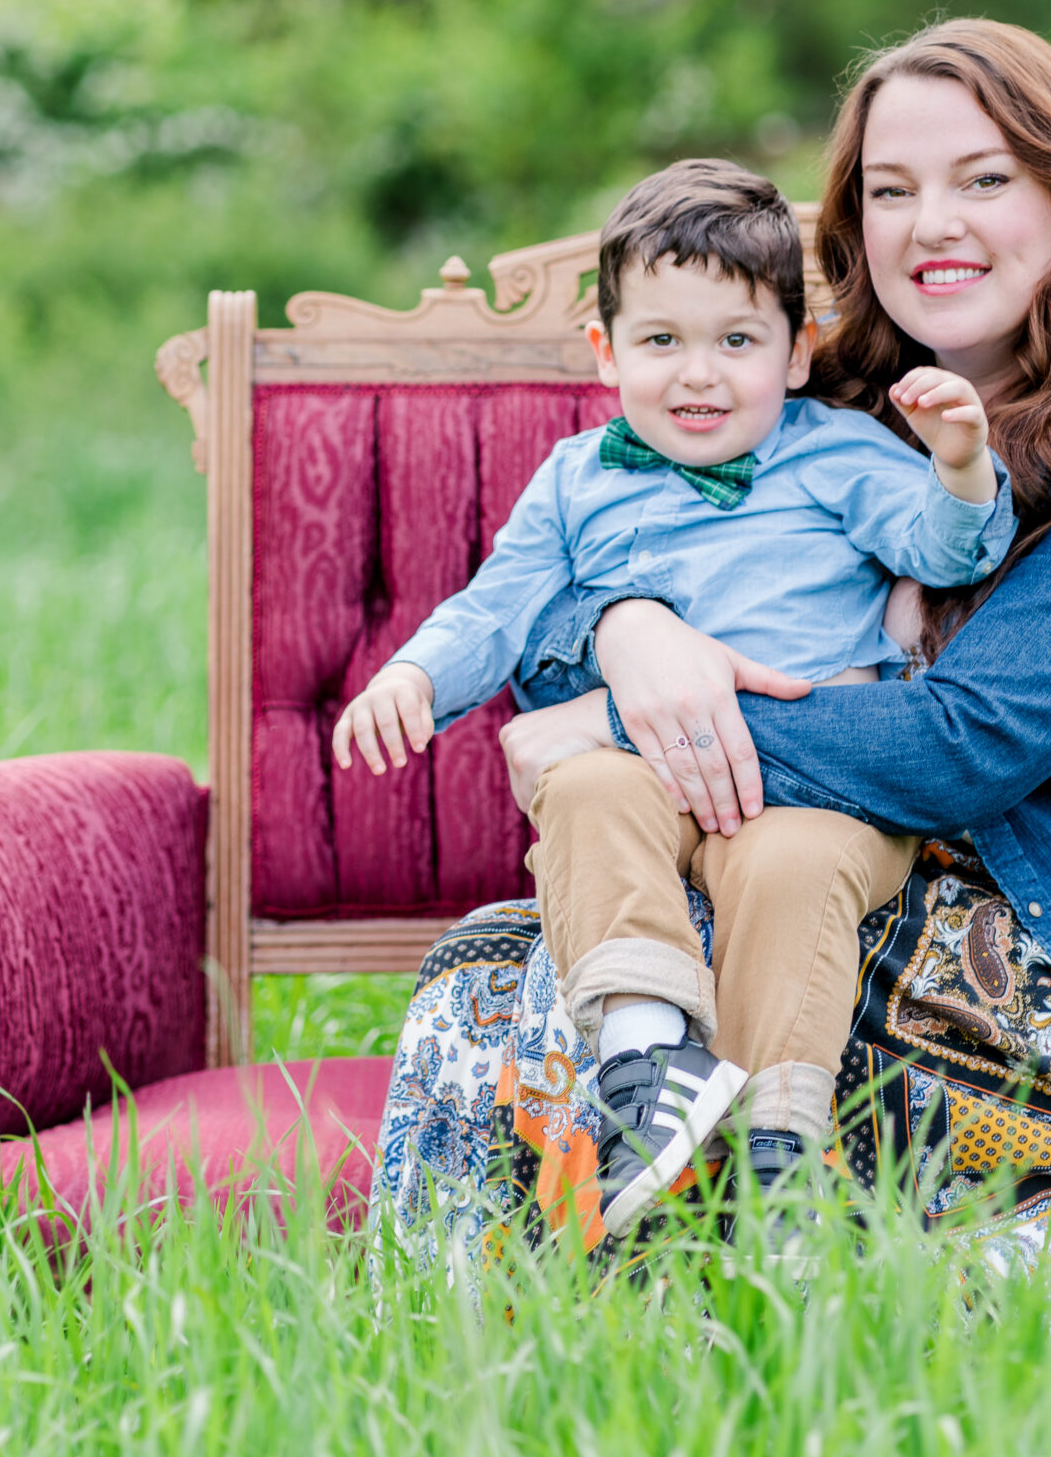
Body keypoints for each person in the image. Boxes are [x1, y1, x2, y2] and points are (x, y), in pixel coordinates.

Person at [494, 20, 1051, 1184]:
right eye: (890, 190)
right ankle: (600, 1355)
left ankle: (760, 1297)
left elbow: (961, 747)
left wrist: (625, 718)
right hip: (847, 881)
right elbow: (569, 570)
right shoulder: (817, 406)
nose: (931, 223)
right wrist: (624, 628)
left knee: (579, 1008)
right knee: (527, 984)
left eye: (984, 180)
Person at [330, 158, 1015, 1237]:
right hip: (649, 772)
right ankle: (647, 1063)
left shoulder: (837, 453)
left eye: (735, 342)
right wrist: (413, 674)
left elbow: (942, 546)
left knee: (791, 870)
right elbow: (497, 608)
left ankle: (780, 1149)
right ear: (605, 354)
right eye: (661, 342)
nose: (698, 375)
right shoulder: (575, 480)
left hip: (820, 784)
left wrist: (961, 463)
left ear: (795, 356)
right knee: (585, 790)